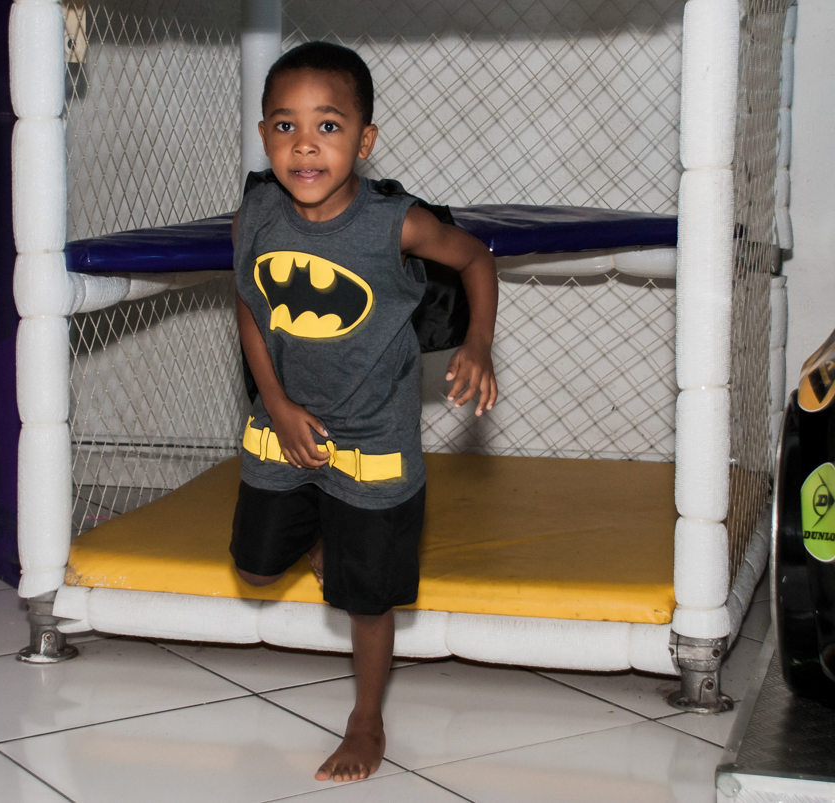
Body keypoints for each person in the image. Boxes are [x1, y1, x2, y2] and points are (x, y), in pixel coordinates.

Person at [229, 41, 499, 783]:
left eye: (328, 126)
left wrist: (478, 342)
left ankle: (367, 719)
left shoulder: (395, 224)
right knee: (254, 565)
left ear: (365, 139)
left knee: (368, 599)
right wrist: (276, 402)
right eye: (285, 126)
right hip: (284, 425)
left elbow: (476, 258)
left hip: (373, 438)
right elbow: (249, 304)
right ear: (264, 135)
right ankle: (329, 541)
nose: (304, 145)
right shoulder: (255, 212)